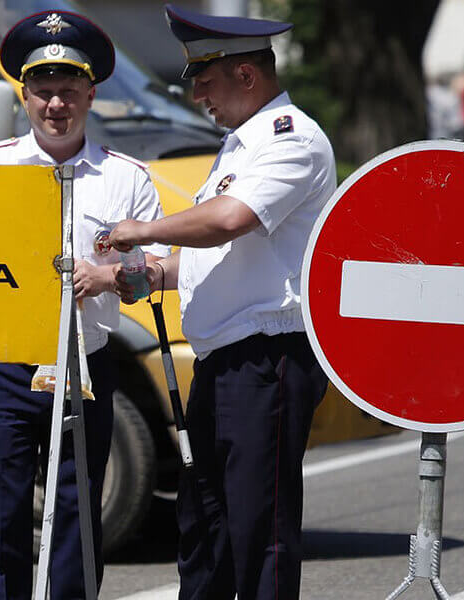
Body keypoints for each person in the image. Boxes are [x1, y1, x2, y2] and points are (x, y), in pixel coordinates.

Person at [108, 4, 334, 599]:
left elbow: (229, 221)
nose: (198, 98)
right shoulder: (239, 145)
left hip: (266, 359)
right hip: (225, 360)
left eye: (205, 83)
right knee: (206, 526)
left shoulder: (292, 139)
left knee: (259, 528)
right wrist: (147, 276)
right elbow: (217, 256)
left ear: (246, 75)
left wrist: (146, 230)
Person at [0, 10, 168, 600]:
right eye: (42, 91)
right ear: (24, 95)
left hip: (85, 364)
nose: (55, 105)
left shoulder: (126, 179)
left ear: (91, 94)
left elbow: (158, 274)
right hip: (7, 365)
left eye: (68, 91)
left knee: (77, 512)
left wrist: (113, 275)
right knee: (4, 510)